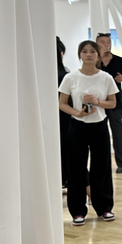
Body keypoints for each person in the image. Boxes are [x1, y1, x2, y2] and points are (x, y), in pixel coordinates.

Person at [58, 40, 118, 225]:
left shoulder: (106, 78)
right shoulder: (70, 78)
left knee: (102, 168)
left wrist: (98, 102)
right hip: (77, 126)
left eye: (92, 51)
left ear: (98, 55)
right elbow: (62, 103)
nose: (89, 54)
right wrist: (77, 113)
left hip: (99, 126)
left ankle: (104, 208)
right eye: (84, 51)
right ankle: (77, 211)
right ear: (79, 55)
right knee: (76, 168)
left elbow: (113, 103)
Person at [96, 32, 122, 173]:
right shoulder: (94, 62)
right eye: (102, 42)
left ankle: (121, 163)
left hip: (115, 103)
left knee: (117, 133)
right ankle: (101, 164)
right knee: (99, 134)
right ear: (97, 44)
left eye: (108, 42)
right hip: (98, 103)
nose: (106, 45)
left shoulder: (118, 61)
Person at [57, 37, 71, 193]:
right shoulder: (65, 74)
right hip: (64, 115)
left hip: (60, 113)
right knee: (65, 146)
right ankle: (65, 178)